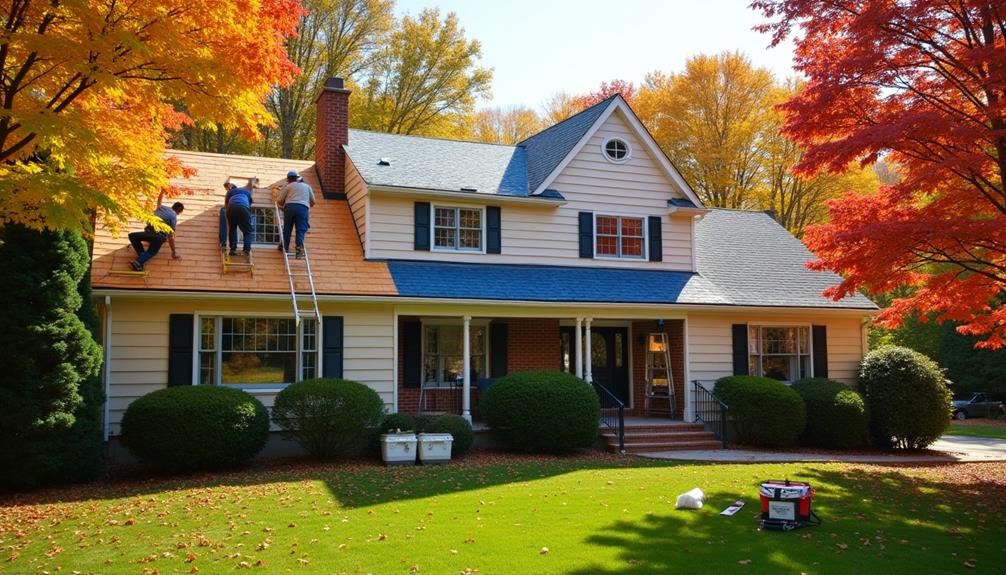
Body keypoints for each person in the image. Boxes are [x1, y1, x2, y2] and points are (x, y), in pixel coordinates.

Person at [129, 190, 184, 271]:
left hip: (149, 231)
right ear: (178, 209)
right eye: (179, 213)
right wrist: (173, 252)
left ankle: (141, 258)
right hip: (159, 236)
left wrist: (162, 191)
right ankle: (140, 260)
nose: (178, 214)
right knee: (152, 251)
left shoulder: (161, 208)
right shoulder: (173, 217)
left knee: (132, 236)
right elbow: (171, 236)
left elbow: (159, 200)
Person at [276, 170, 315, 257]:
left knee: (287, 228)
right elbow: (313, 201)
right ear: (297, 178)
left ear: (288, 179)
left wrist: (284, 204)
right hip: (303, 209)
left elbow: (280, 200)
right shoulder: (307, 186)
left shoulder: (288, 186)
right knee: (300, 229)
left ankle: (285, 246)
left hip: (290, 208)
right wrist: (305, 203)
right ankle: (299, 249)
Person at [223, 179, 255, 256]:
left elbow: (226, 206)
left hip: (231, 209)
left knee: (233, 228)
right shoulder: (247, 192)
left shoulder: (229, 192)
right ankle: (246, 250)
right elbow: (250, 203)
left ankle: (233, 249)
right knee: (247, 231)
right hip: (243, 208)